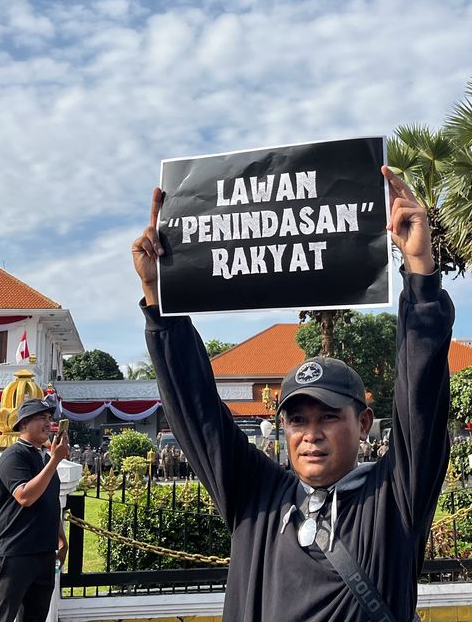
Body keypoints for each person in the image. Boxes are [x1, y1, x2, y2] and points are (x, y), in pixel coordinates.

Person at [132, 168, 453, 621]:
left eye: (328, 417)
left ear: (362, 423)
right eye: (298, 420)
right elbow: (198, 409)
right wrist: (159, 300)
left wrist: (420, 276)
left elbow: (421, 402)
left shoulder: (393, 500)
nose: (311, 435)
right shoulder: (256, 496)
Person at [0, 396, 70, 622]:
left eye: (50, 418)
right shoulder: (14, 455)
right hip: (14, 553)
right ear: (23, 424)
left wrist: (60, 538)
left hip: (43, 553)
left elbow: (49, 500)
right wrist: (54, 461)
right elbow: (25, 496)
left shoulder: (43, 458)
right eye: (41, 417)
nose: (48, 423)